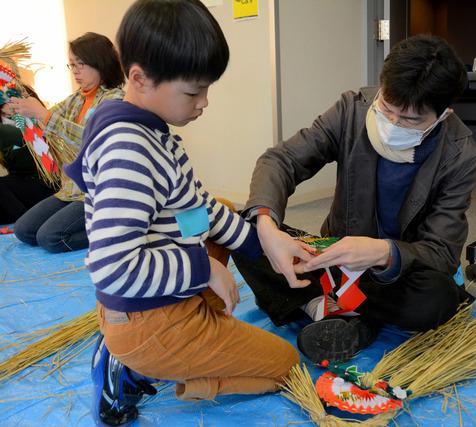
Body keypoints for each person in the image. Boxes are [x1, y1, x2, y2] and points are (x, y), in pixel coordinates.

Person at [64, 1, 299, 425]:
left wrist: (261, 241)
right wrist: (203, 268)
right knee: (284, 365)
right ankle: (134, 367)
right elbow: (113, 268)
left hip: (156, 303)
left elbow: (199, 207)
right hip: (146, 320)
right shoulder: (128, 149)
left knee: (221, 213)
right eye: (193, 91)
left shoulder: (150, 130)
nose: (204, 103)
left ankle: (167, 339)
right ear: (139, 77)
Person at [233, 34, 476, 364]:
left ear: (443, 115)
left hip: (397, 273)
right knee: (244, 230)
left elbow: (441, 252)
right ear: (381, 89)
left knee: (436, 299)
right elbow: (281, 161)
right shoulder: (352, 111)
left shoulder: (460, 154)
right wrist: (267, 224)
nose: (393, 124)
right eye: (387, 109)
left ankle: (339, 311)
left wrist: (383, 252)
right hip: (331, 258)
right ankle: (334, 310)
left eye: (410, 120)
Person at [4, 32, 124, 252]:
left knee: (50, 238)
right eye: (71, 65)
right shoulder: (77, 97)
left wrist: (43, 115)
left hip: (95, 191)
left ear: (101, 63)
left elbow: (90, 138)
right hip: (70, 189)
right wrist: (19, 108)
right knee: (23, 230)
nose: (76, 71)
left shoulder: (114, 99)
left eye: (81, 64)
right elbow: (47, 120)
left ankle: (117, 229)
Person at [0, 86, 56, 224]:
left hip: (48, 184)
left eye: (13, 97)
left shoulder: (37, 119)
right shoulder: (6, 126)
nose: (11, 102)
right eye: (5, 99)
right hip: (20, 186)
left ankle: (27, 223)